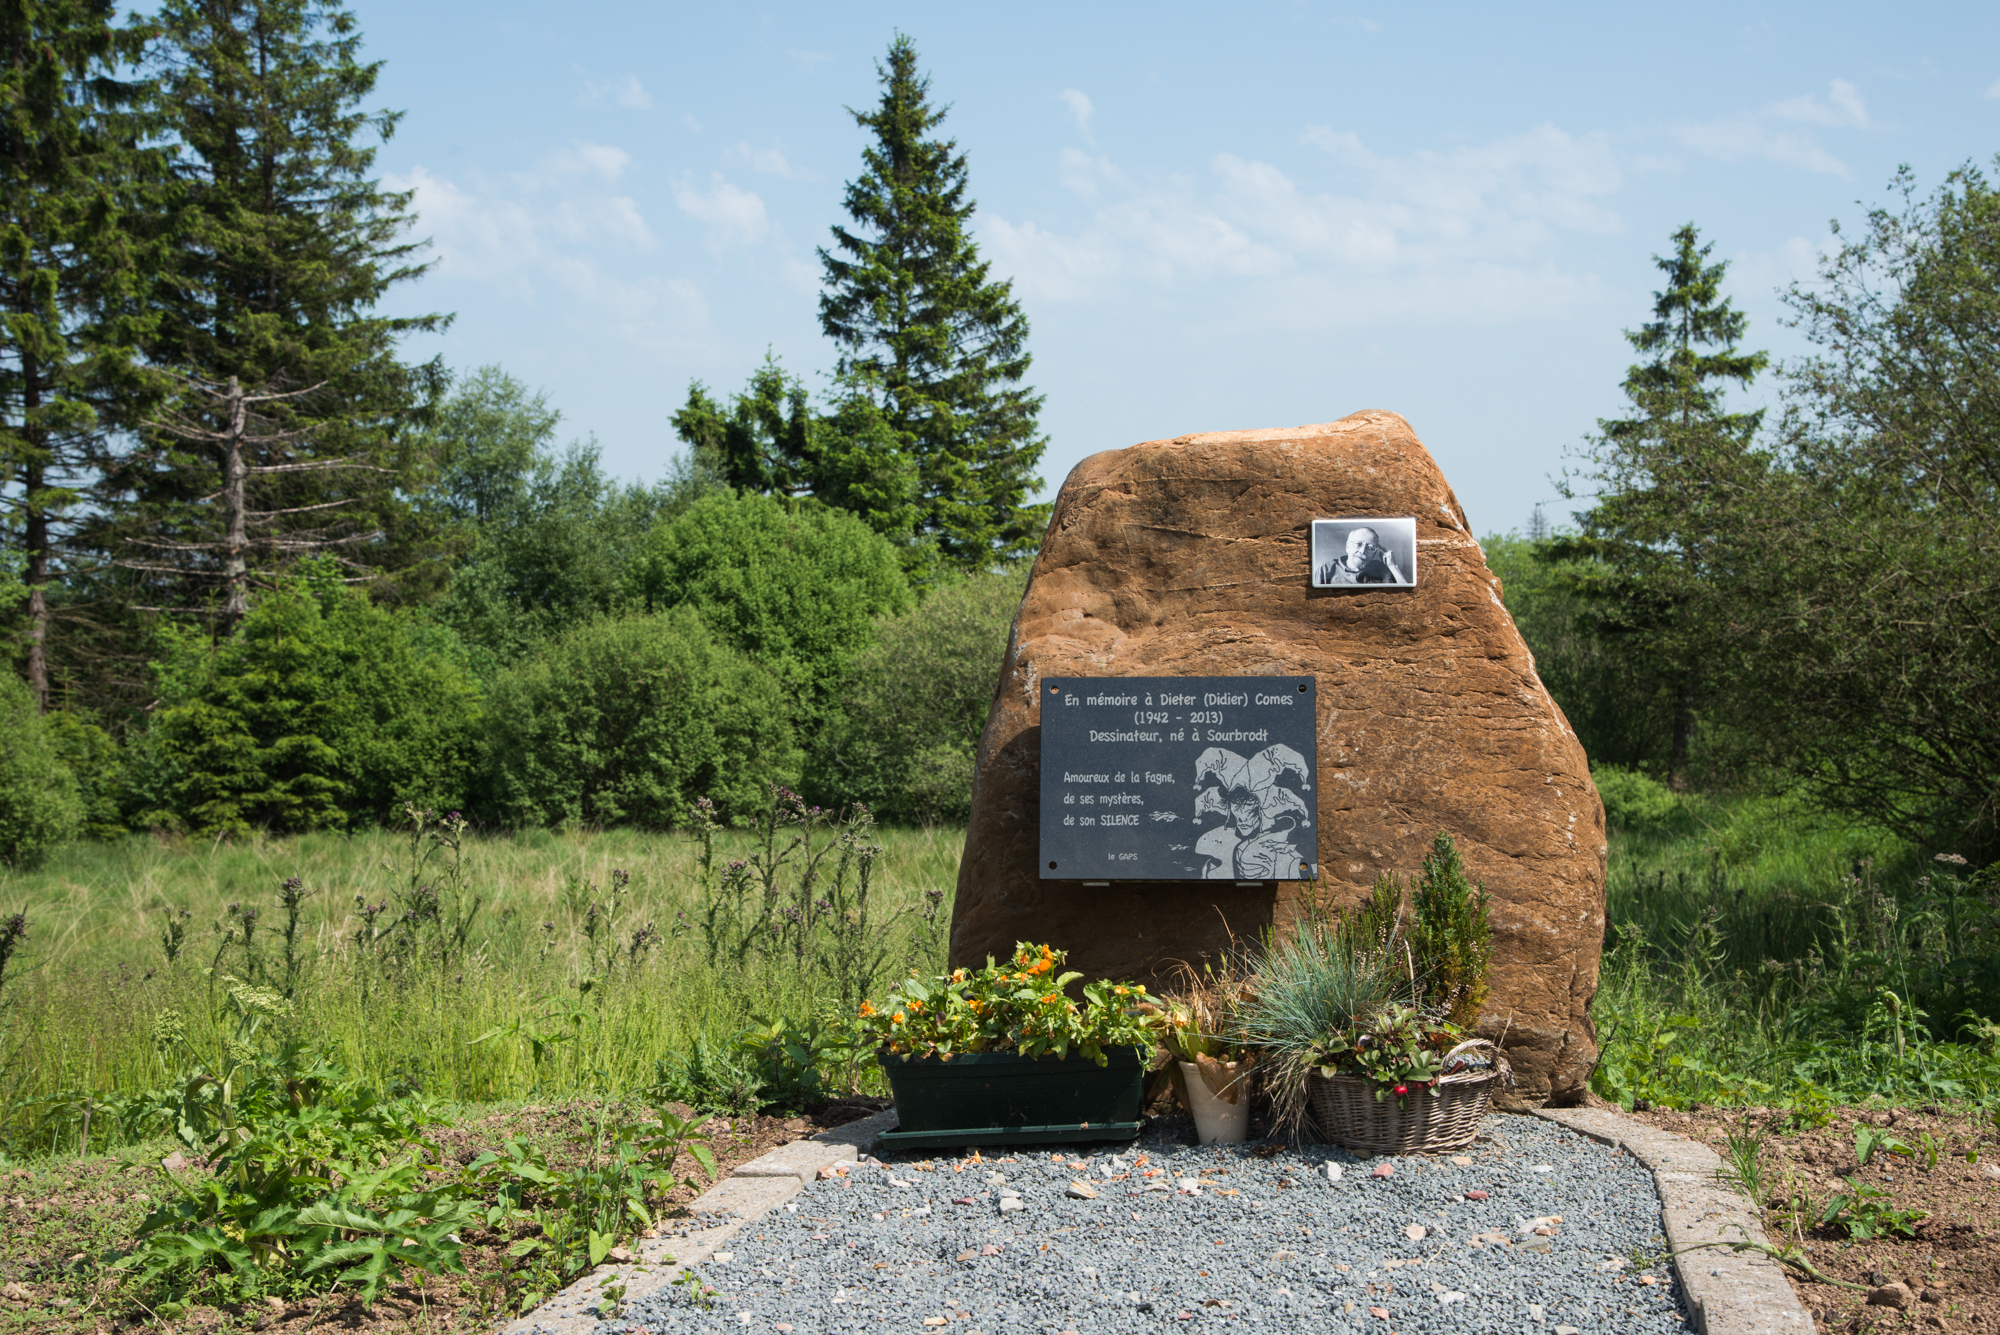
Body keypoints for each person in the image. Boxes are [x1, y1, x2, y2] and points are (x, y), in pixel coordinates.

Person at [1319, 525, 1409, 585]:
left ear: (1374, 553)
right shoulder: (1327, 569)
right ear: (1348, 547)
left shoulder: (1381, 569)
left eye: (1370, 547)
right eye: (1358, 544)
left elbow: (1405, 593)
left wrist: (1392, 566)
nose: (1362, 551)